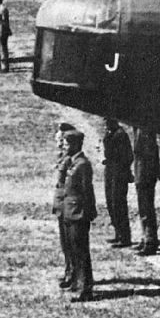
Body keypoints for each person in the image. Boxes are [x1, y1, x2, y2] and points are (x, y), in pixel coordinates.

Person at [61, 129, 97, 302]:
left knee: (81, 252)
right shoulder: (72, 162)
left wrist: (88, 213)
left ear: (75, 145)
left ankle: (86, 288)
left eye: (67, 143)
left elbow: (87, 191)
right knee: (74, 250)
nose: (64, 146)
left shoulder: (82, 164)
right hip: (70, 212)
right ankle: (77, 283)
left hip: (78, 214)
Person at [132, 127, 160, 255]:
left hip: (145, 174)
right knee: (144, 209)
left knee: (146, 209)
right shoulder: (140, 129)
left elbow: (149, 153)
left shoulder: (144, 130)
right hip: (141, 173)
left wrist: (154, 172)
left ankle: (150, 241)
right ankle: (146, 237)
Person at [52, 122, 77, 289]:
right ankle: (69, 271)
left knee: (70, 243)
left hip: (67, 205)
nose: (59, 143)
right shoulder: (63, 157)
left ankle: (73, 274)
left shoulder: (70, 160)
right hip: (62, 205)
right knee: (65, 242)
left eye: (61, 140)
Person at [102, 118, 133, 247]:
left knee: (118, 203)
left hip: (119, 172)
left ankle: (124, 237)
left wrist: (123, 169)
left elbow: (128, 156)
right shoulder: (110, 133)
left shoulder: (120, 135)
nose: (106, 123)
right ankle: (118, 233)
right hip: (110, 170)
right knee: (111, 202)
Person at [0, 0, 12, 72]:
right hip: (0, 29)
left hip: (2, 30)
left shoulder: (2, 9)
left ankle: (4, 66)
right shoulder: (0, 8)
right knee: (2, 48)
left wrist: (6, 30)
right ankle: (4, 65)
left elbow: (4, 21)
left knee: (3, 48)